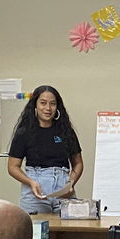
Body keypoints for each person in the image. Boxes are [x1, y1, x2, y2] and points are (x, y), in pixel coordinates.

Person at [7, 85, 83, 213]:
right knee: (35, 226)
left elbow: (78, 163)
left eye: (52, 104)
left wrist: (71, 183)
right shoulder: (24, 132)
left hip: (63, 190)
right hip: (35, 192)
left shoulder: (65, 130)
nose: (48, 108)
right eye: (43, 103)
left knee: (69, 226)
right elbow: (12, 167)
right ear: (35, 105)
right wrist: (30, 182)